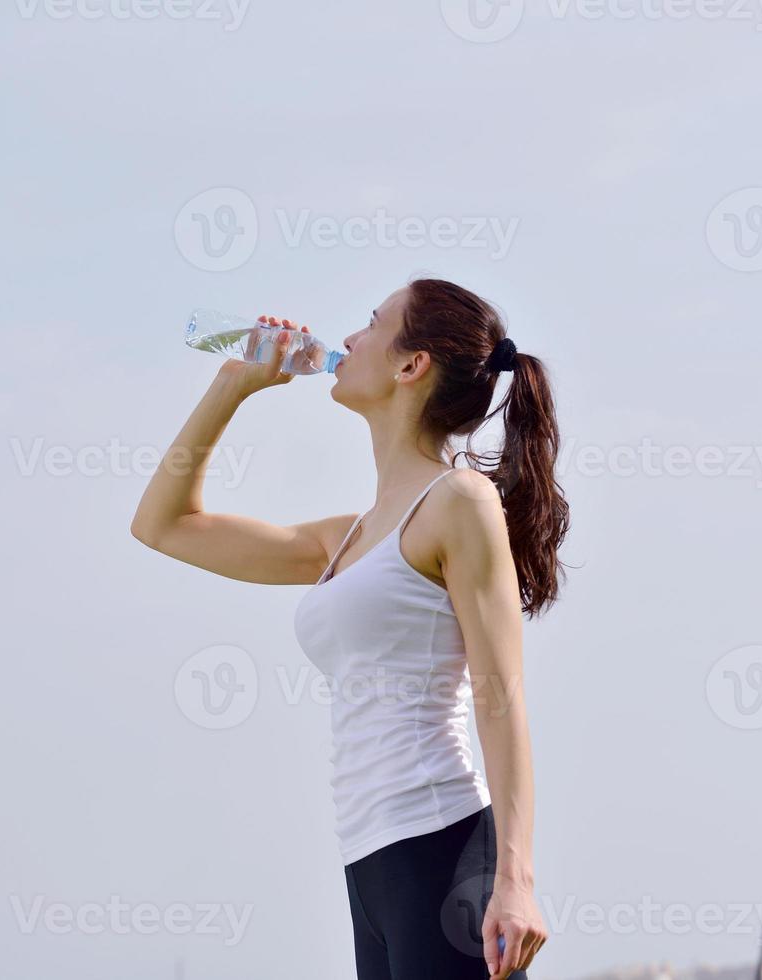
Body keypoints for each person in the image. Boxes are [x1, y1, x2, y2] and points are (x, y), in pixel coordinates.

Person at [131, 277, 568, 979]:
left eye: (370, 324)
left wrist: (514, 878)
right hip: (370, 858)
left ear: (409, 365)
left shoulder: (456, 500)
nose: (348, 340)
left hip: (441, 841)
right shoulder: (347, 539)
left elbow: (500, 695)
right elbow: (161, 527)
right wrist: (230, 387)